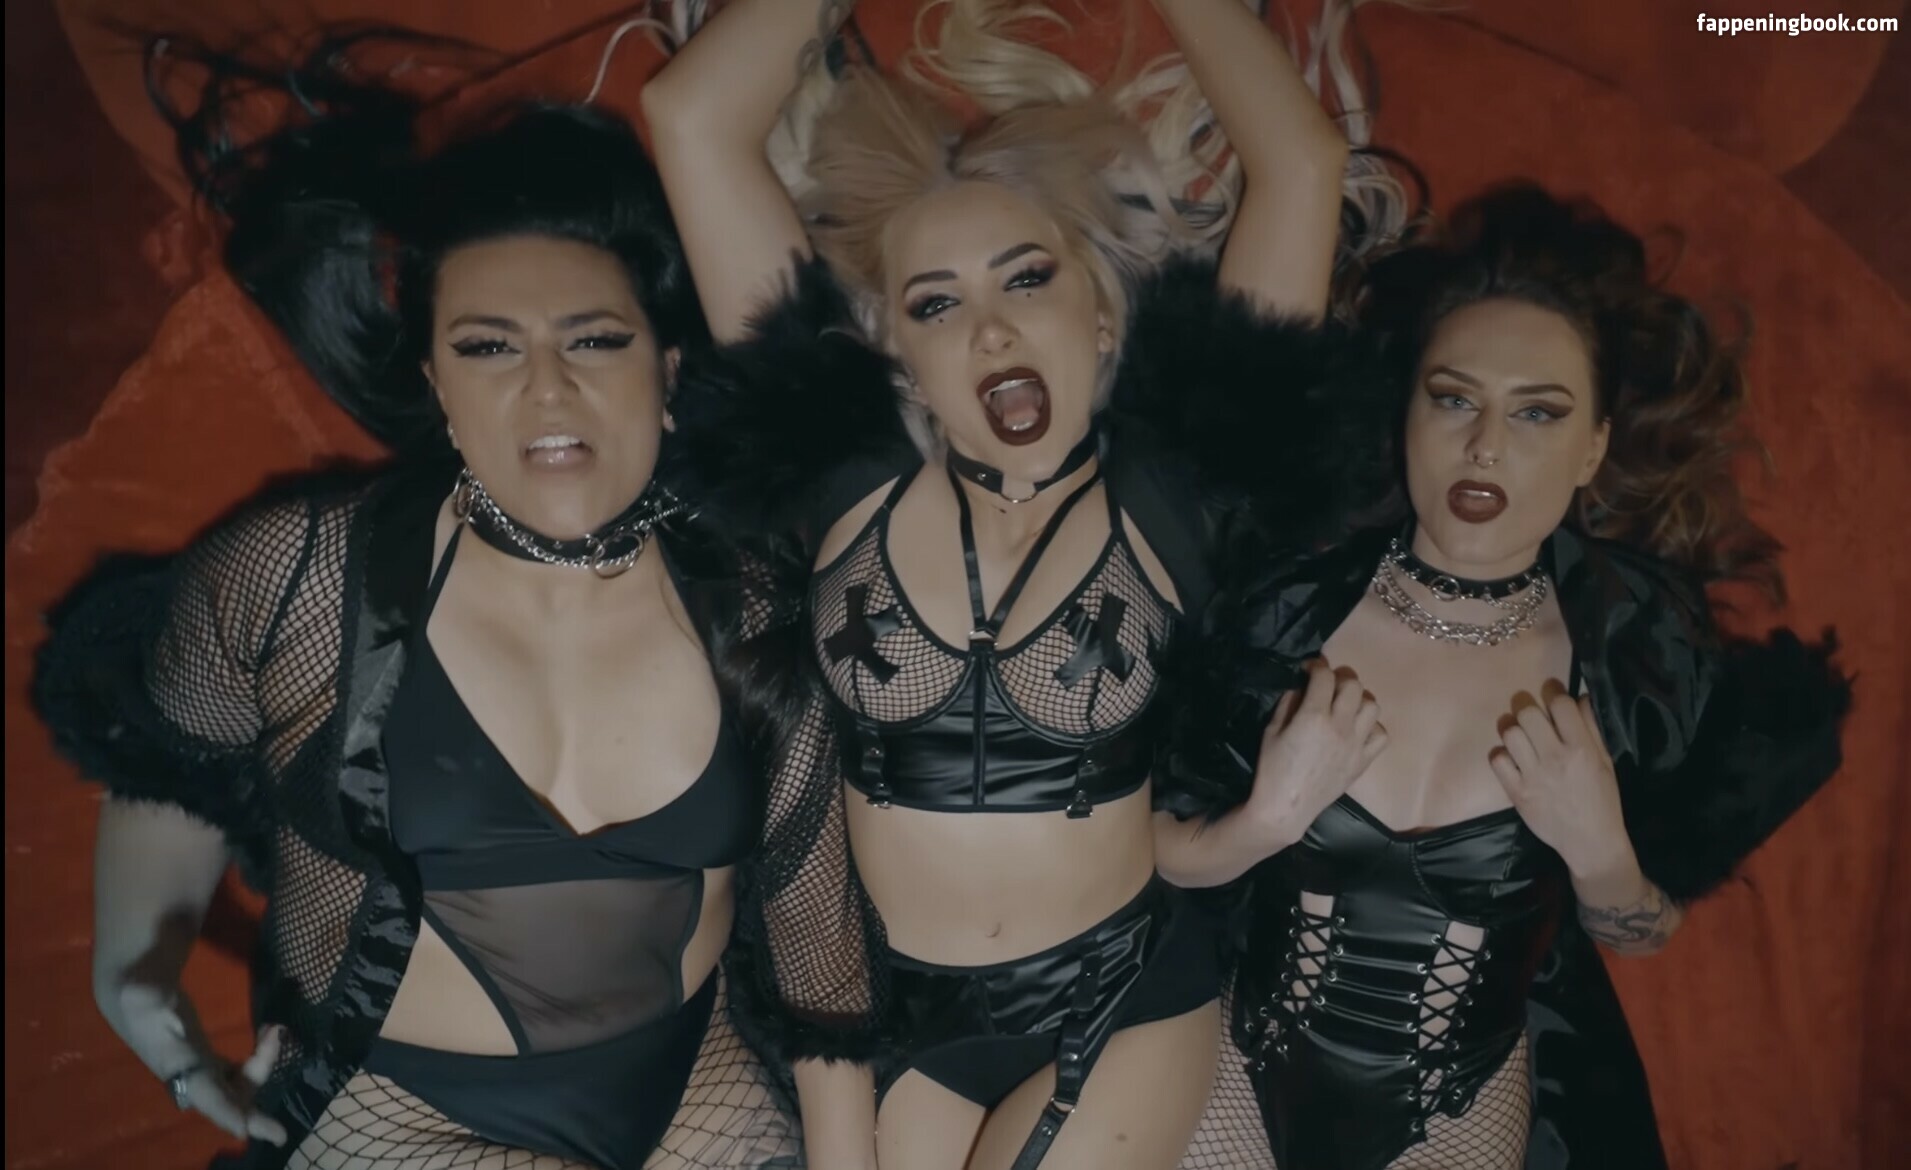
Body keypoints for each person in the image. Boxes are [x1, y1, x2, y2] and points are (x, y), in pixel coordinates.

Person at [642, 1, 1400, 1166]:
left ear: (1098, 317)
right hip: (908, 1021)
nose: (988, 330)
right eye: (937, 303)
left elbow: (1299, 160)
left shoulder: (1175, 492)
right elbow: (690, 116)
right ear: (901, 357)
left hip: (1114, 995)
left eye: (1026, 279)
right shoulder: (842, 478)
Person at [33, 37, 798, 1170]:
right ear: (436, 382)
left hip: (702, 1083)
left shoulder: (752, 574)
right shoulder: (301, 574)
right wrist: (132, 967)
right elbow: (173, 761)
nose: (548, 387)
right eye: (489, 348)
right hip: (405, 1107)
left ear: (667, 369)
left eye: (595, 340)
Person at [1153, 183, 1853, 1170]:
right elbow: (1145, 849)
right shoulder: (1285, 608)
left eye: (1536, 414)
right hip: (1235, 1057)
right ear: (1407, 413)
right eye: (1454, 399)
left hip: (1458, 1103)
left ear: (1592, 447)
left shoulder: (1636, 657)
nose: (1485, 445)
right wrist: (1259, 824)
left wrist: (1601, 852)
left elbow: (1641, 930)